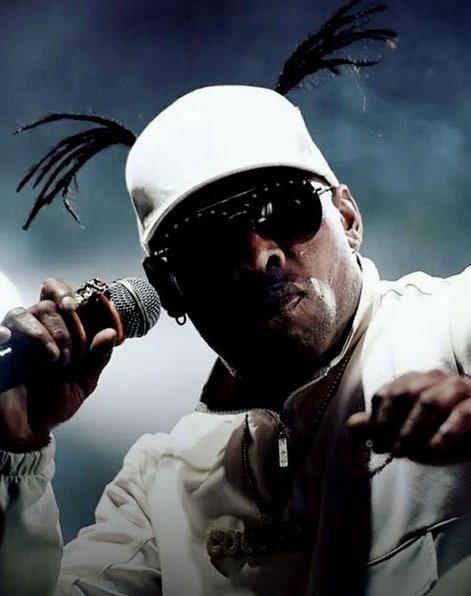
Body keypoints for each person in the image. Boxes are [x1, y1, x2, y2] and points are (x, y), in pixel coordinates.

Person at [2, 83, 471, 596]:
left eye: (285, 209)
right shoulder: (162, 482)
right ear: (168, 287)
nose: (258, 257)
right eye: (206, 244)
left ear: (347, 217)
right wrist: (15, 452)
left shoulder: (455, 325)